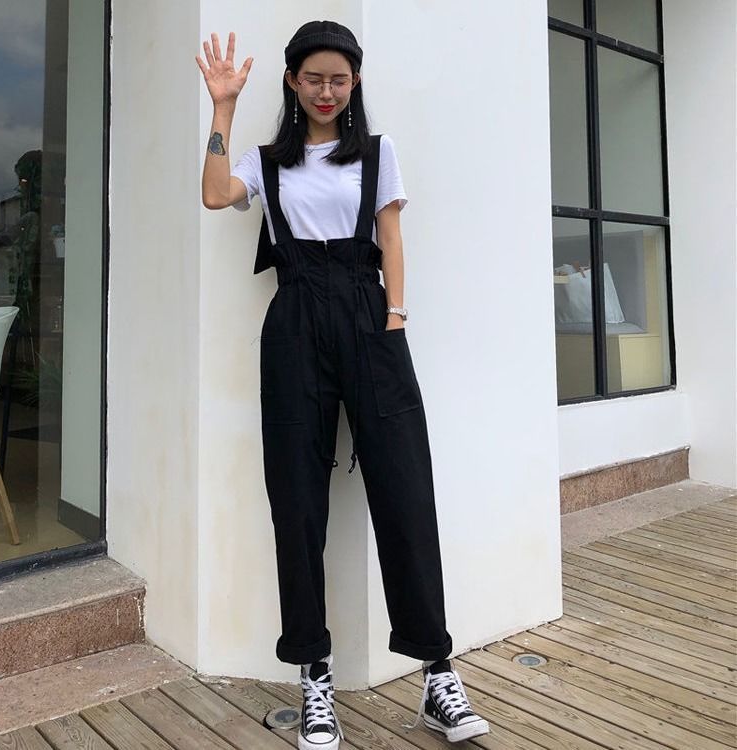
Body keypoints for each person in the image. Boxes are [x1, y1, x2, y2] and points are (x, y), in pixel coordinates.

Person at [196, 20, 491, 748]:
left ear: (354, 83)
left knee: (405, 488)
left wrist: (395, 316)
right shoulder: (269, 162)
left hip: (370, 316)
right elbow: (214, 195)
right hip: (295, 320)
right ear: (292, 83)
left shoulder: (378, 156)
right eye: (314, 78)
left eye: (339, 78)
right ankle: (314, 675)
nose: (326, 91)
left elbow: (391, 237)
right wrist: (223, 109)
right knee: (296, 501)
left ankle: (437, 672)